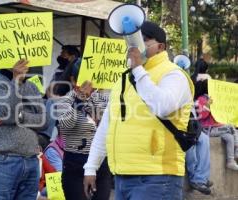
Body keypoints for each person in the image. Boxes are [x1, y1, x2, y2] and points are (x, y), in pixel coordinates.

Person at [83, 21, 194, 200]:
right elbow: (107, 126)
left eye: (144, 40)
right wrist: (91, 167)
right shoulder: (124, 79)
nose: (136, 46)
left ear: (160, 46)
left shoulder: (174, 74)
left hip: (158, 176)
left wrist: (138, 69)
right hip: (122, 176)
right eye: (132, 41)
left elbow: (162, 107)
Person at [0, 59, 48, 200]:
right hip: (2, 159)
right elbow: (7, 112)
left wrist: (21, 116)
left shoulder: (31, 85)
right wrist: (16, 81)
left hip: (30, 159)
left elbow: (44, 121)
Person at [56, 81, 111, 200]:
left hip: (101, 162)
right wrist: (80, 100)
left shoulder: (103, 99)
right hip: (76, 163)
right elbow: (67, 124)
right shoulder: (65, 100)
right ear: (74, 80)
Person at [194, 80, 238, 170]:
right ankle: (237, 151)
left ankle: (230, 160)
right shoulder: (201, 100)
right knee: (231, 128)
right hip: (208, 129)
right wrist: (207, 105)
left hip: (217, 128)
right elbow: (201, 116)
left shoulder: (213, 98)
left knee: (229, 137)